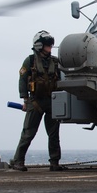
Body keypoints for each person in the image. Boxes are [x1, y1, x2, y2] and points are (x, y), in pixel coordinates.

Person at [10, 30, 63, 171]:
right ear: (40, 45)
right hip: (35, 102)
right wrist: (25, 100)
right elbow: (22, 80)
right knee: (28, 133)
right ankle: (18, 161)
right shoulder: (30, 61)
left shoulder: (55, 61)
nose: (50, 47)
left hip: (52, 101)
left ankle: (54, 162)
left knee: (54, 134)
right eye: (48, 45)